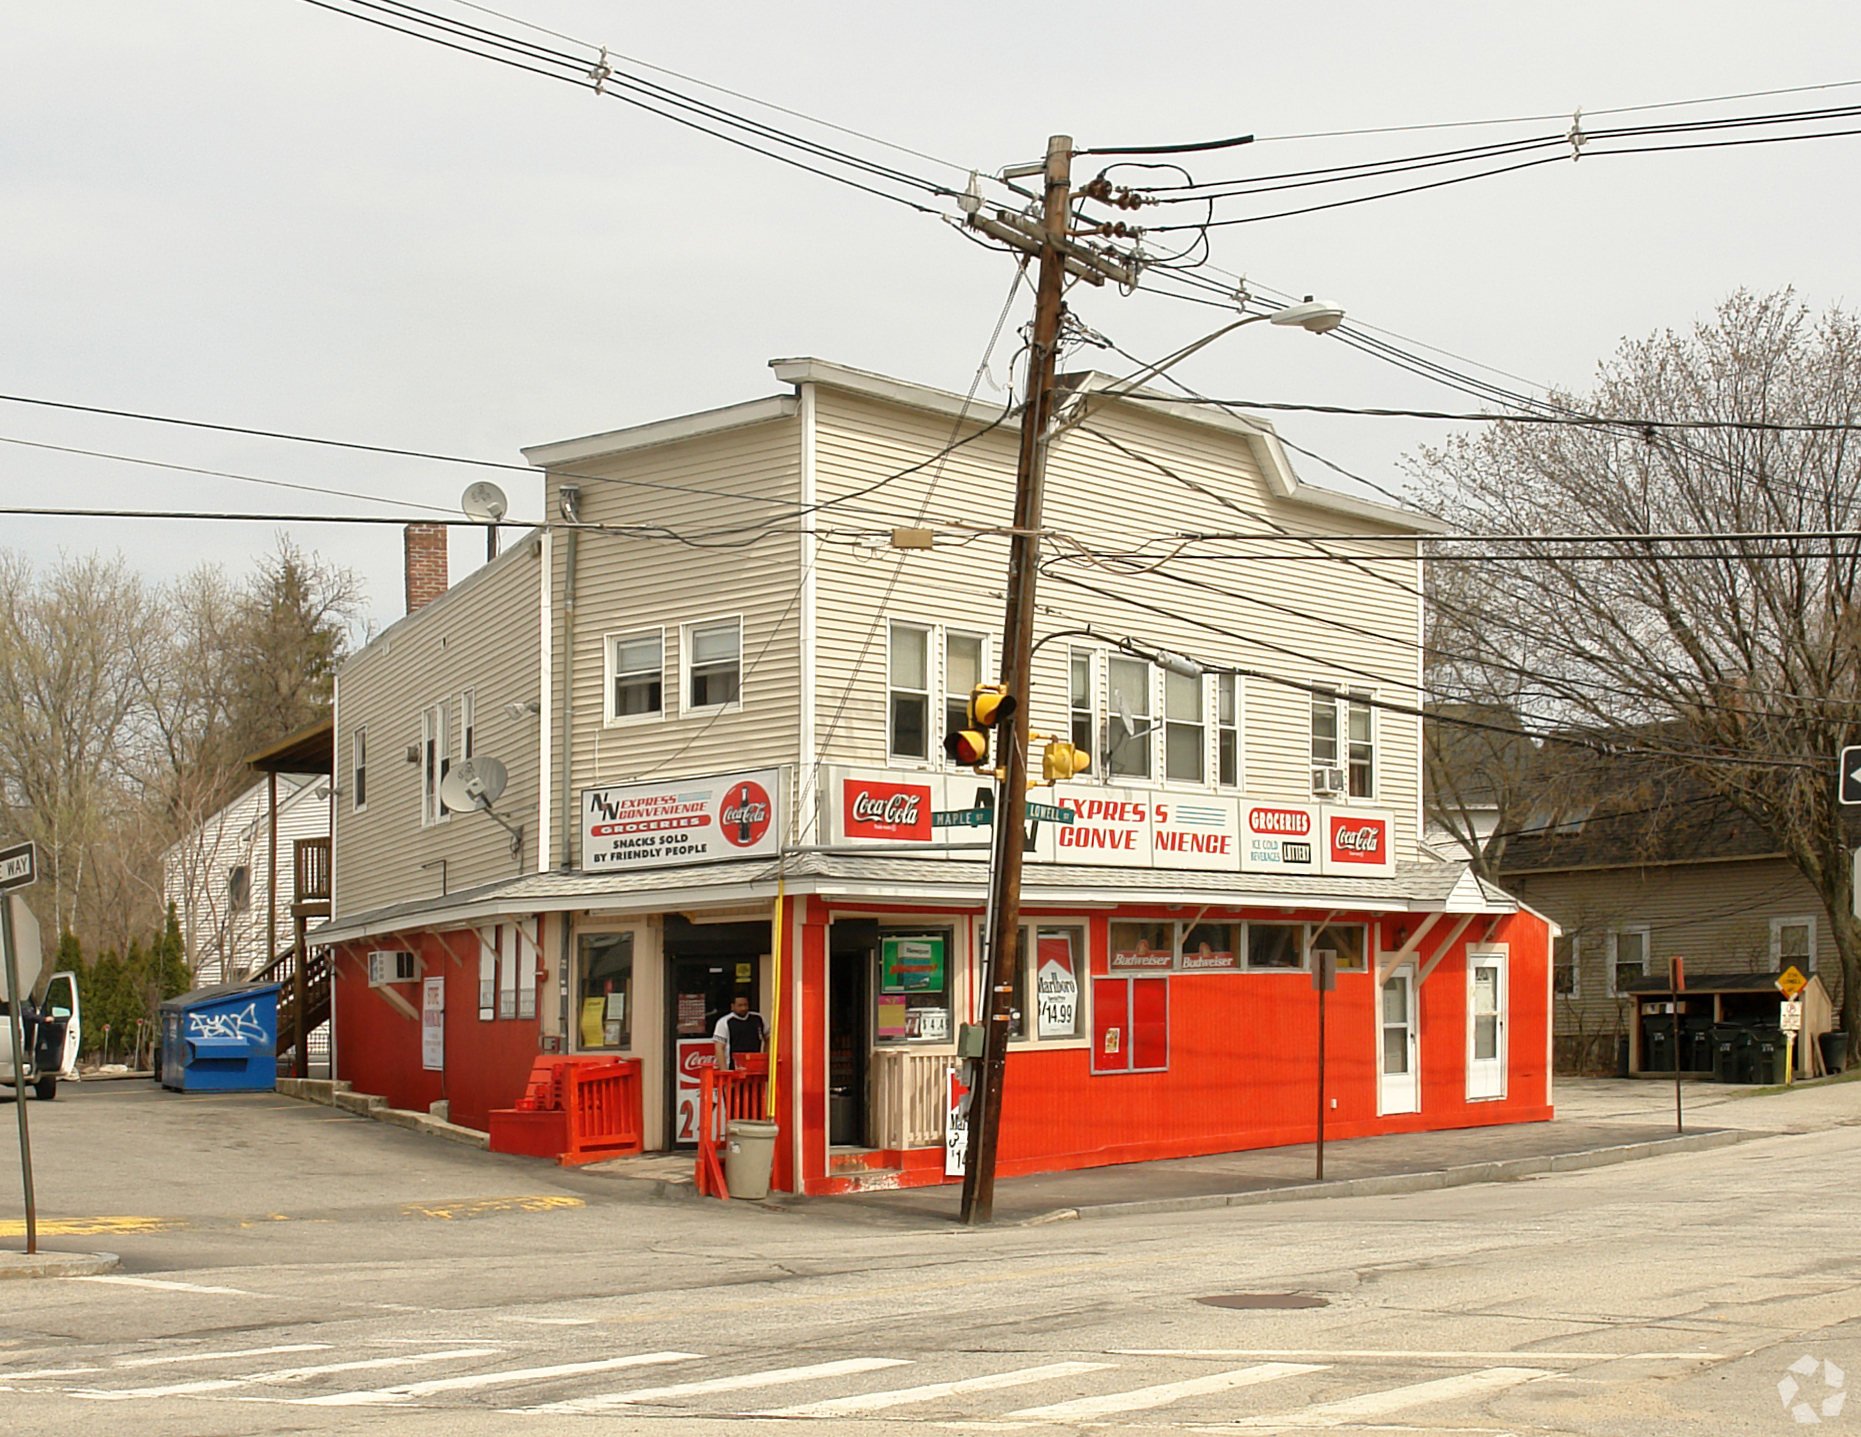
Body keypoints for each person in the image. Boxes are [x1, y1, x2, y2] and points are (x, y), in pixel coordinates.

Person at [712, 994, 768, 1070]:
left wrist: (765, 1059)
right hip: (733, 1068)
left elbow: (769, 1038)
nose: (743, 1008)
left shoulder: (758, 1018)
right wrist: (724, 1070)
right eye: (740, 1005)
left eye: (745, 1005)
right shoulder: (724, 1022)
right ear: (732, 1006)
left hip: (755, 1067)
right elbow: (719, 1047)